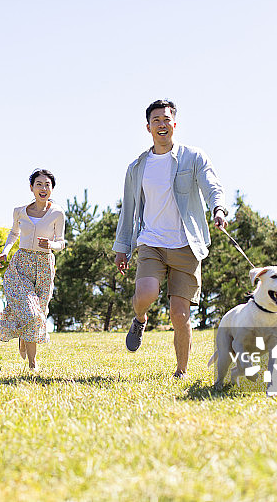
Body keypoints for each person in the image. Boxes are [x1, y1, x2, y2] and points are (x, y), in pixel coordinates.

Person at [113, 99, 228, 378]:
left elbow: (212, 185)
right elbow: (128, 209)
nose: (162, 124)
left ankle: (181, 371)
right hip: (151, 241)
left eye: (166, 119)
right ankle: (140, 318)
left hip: (187, 244)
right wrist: (122, 247)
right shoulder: (137, 166)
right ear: (148, 127)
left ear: (174, 124)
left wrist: (219, 208)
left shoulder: (193, 157)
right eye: (156, 120)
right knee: (146, 294)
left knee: (180, 314)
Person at [0, 169, 66, 371]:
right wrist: (4, 252)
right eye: (39, 184)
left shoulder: (57, 213)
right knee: (30, 311)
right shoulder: (19, 211)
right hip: (21, 263)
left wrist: (50, 244)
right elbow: (13, 233)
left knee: (38, 312)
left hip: (44, 265)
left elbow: (61, 242)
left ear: (52, 189)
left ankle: (28, 351)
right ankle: (33, 365)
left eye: (47, 185)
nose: (43, 188)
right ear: (31, 188)